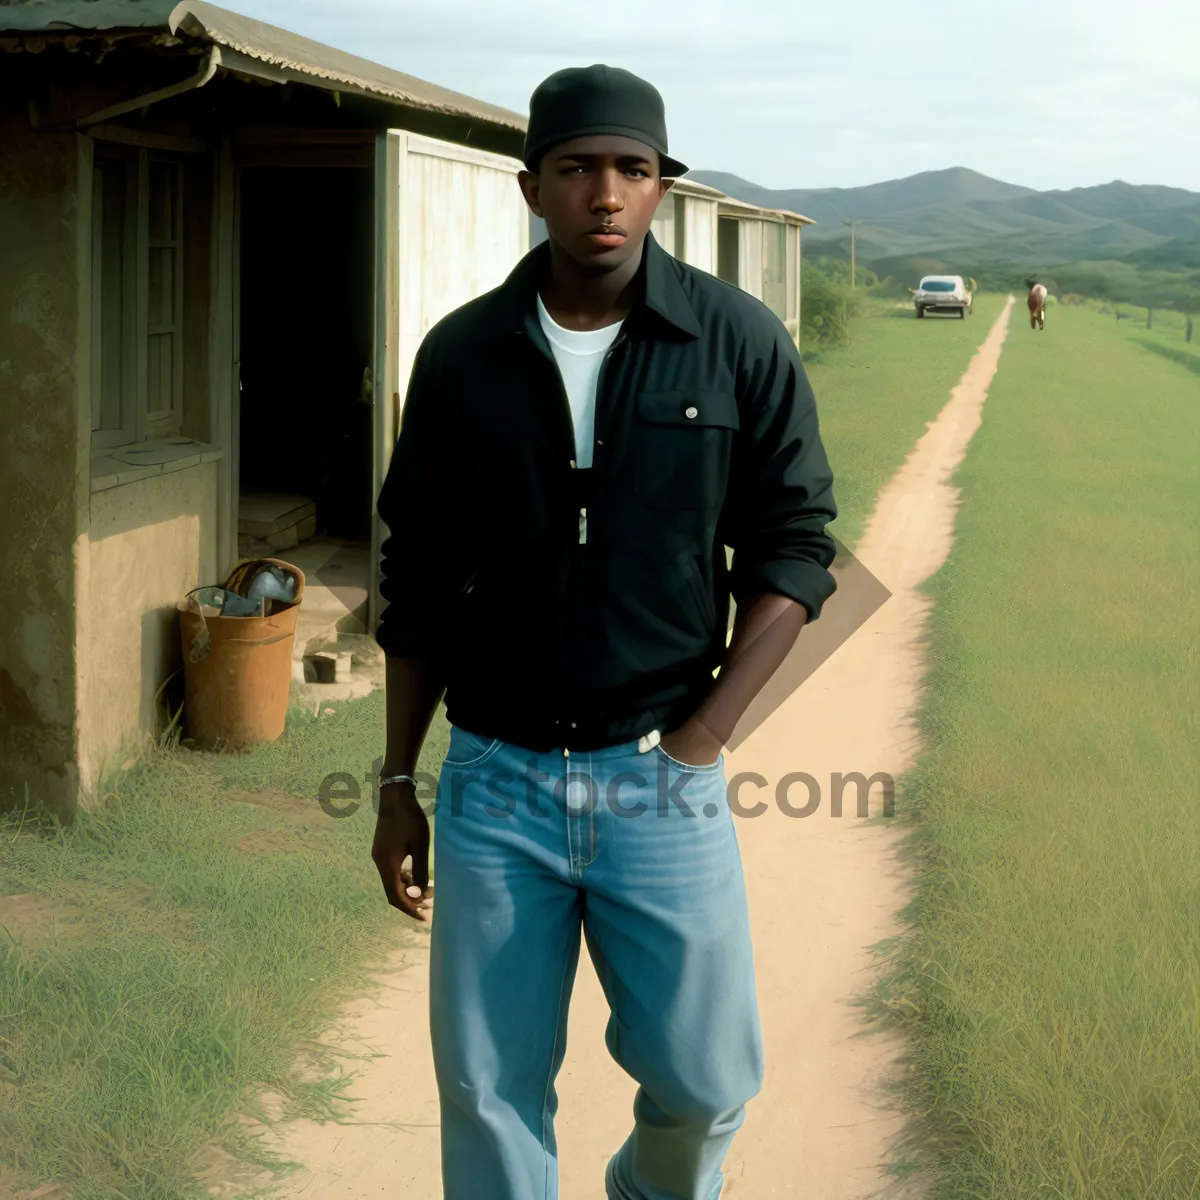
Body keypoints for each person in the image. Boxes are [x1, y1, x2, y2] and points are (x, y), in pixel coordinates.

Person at [370, 63, 838, 1200]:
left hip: (658, 784)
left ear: (662, 189)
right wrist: (395, 780)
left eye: (632, 169)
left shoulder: (735, 342)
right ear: (533, 189)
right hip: (495, 777)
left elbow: (798, 547)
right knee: (486, 1094)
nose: (606, 192)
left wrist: (704, 735)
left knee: (708, 1081)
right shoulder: (463, 355)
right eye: (578, 168)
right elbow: (417, 578)